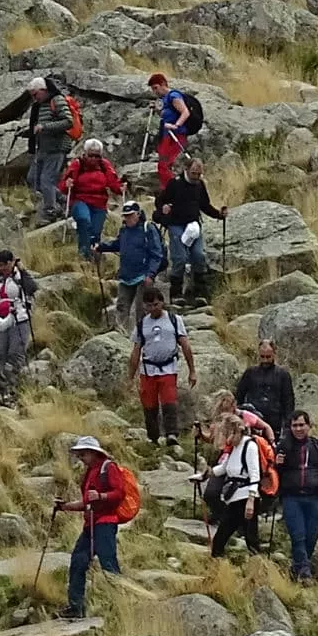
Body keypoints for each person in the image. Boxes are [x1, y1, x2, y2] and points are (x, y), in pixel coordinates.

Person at [59, 434, 136, 619]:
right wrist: (64, 506)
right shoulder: (89, 472)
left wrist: (100, 497)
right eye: (79, 454)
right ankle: (76, 606)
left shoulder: (108, 468)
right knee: (78, 560)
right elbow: (87, 503)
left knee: (108, 562)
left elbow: (119, 493)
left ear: (94, 453)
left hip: (105, 523)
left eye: (83, 453)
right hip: (91, 524)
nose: (80, 457)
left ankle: (122, 606)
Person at [0, 75, 84, 221]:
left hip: (57, 147)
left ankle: (50, 210)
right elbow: (39, 128)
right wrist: (27, 132)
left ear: (43, 90)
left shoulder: (57, 100)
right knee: (33, 178)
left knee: (47, 180)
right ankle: (63, 201)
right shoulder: (39, 106)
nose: (34, 98)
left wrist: (44, 127)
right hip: (43, 148)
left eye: (35, 94)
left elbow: (67, 122)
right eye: (32, 95)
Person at [277, 409, 318, 583]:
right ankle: (305, 573)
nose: (298, 429)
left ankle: (296, 567)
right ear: (290, 427)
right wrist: (277, 465)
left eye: (301, 425)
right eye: (294, 425)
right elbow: (274, 472)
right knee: (298, 535)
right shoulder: (283, 446)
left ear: (309, 426)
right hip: (291, 497)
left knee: (312, 536)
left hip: (314, 497)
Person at [202, 407, 274, 559]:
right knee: (221, 537)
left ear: (236, 431)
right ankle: (219, 568)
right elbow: (224, 468)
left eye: (228, 434)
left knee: (250, 539)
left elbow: (254, 474)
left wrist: (251, 501)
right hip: (234, 499)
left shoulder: (250, 445)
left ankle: (260, 571)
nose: (226, 439)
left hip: (245, 498)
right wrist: (205, 475)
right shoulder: (234, 448)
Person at [127, 287, 194, 445]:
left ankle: (171, 434)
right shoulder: (142, 324)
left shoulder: (174, 320)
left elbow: (185, 345)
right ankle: (153, 437)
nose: (153, 308)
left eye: (156, 304)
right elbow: (136, 351)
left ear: (162, 302)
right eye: (149, 306)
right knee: (149, 404)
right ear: (144, 306)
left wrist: (192, 371)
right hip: (148, 370)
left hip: (168, 368)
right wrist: (130, 376)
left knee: (169, 401)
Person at [156, 157, 224, 304]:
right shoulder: (174, 184)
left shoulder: (199, 185)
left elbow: (205, 206)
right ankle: (176, 293)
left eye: (199, 174)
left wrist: (219, 214)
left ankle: (199, 292)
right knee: (179, 257)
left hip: (193, 225)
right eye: (194, 173)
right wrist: (164, 208)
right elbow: (160, 201)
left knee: (199, 256)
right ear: (186, 170)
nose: (196, 177)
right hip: (175, 224)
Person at [100, 205, 167, 327]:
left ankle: (142, 336)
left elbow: (156, 254)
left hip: (143, 275)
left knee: (141, 309)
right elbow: (117, 244)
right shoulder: (124, 231)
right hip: (126, 275)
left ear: (138, 214)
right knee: (121, 306)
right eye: (125, 216)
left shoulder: (148, 229)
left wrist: (150, 274)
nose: (127, 218)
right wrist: (100, 247)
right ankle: (121, 336)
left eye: (130, 215)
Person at [0, 249, 41, 398]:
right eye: (0, 264)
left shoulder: (20, 277)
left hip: (19, 319)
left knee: (15, 352)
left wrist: (23, 271)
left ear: (12, 262)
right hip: (1, 320)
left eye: (5, 263)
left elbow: (32, 288)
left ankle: (16, 383)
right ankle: (1, 384)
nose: (3, 267)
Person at [59, 140, 120, 262]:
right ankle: (84, 254)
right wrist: (67, 184)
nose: (93, 159)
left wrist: (120, 188)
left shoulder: (104, 165)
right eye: (90, 155)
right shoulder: (77, 165)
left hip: (99, 204)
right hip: (80, 200)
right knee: (84, 220)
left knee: (95, 233)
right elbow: (63, 187)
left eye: (97, 156)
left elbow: (113, 183)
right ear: (85, 153)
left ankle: (93, 256)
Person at [145, 74, 202, 183]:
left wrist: (176, 125)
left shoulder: (174, 96)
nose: (154, 91)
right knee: (163, 164)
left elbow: (185, 112)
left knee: (165, 164)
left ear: (163, 84)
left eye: (156, 88)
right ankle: (169, 190)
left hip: (176, 136)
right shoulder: (164, 99)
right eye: (152, 89)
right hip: (167, 136)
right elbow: (166, 116)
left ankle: (171, 190)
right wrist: (157, 110)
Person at [233, 340, 296, 434]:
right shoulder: (250, 373)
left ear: (274, 354)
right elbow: (239, 396)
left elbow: (288, 401)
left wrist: (288, 425)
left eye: (268, 357)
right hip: (253, 420)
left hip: (275, 421)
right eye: (262, 357)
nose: (265, 360)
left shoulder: (283, 375)